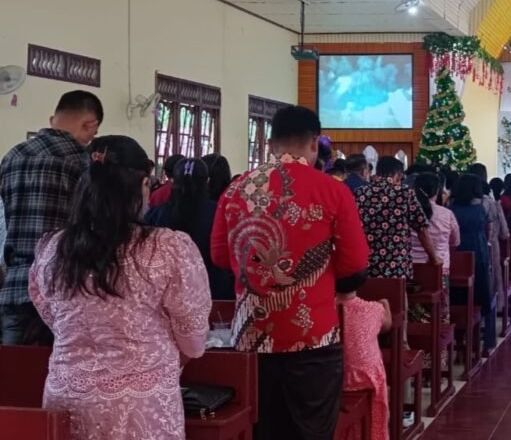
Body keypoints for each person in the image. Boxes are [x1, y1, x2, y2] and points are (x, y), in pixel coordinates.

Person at [29, 135, 211, 440]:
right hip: (139, 403)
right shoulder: (167, 248)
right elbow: (193, 342)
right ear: (143, 185)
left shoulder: (52, 248)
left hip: (67, 397)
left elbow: (53, 316)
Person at [211, 106, 371, 440]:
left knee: (262, 430)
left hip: (251, 335)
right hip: (312, 335)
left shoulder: (236, 189)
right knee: (309, 431)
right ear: (314, 144)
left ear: (270, 144)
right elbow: (354, 262)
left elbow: (221, 256)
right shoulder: (333, 190)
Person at [1, 90, 102, 345]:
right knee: (60, 368)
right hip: (64, 289)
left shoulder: (12, 156)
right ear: (89, 124)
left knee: (13, 368)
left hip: (15, 286)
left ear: (53, 119)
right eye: (93, 133)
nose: (90, 140)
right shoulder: (83, 163)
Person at [146, 158, 234, 300]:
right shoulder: (218, 212)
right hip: (212, 290)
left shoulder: (156, 214)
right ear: (207, 181)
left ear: (172, 181)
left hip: (166, 291)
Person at [357, 157, 440, 279]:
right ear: (398, 175)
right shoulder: (405, 193)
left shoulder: (360, 193)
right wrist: (433, 258)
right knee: (396, 292)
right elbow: (422, 229)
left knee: (368, 292)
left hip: (365, 264)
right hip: (396, 266)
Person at [410, 172, 459, 358]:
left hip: (412, 271)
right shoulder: (446, 214)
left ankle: (415, 357)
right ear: (436, 191)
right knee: (441, 314)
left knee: (413, 316)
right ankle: (439, 360)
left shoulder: (407, 211)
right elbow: (456, 241)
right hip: (439, 271)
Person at [338, 273, 390, 440]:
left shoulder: (325, 310)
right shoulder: (374, 309)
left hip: (333, 378)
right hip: (366, 378)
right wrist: (385, 303)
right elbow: (387, 325)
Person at [449, 174, 496, 356]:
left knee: (457, 298)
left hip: (455, 256)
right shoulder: (481, 207)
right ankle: (487, 342)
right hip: (478, 255)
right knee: (483, 297)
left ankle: (459, 339)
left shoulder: (450, 207)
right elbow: (489, 231)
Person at [469, 164, 509, 316]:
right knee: (489, 280)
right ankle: (492, 311)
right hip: (487, 247)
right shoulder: (489, 201)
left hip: (461, 250)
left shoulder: (454, 203)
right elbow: (503, 232)